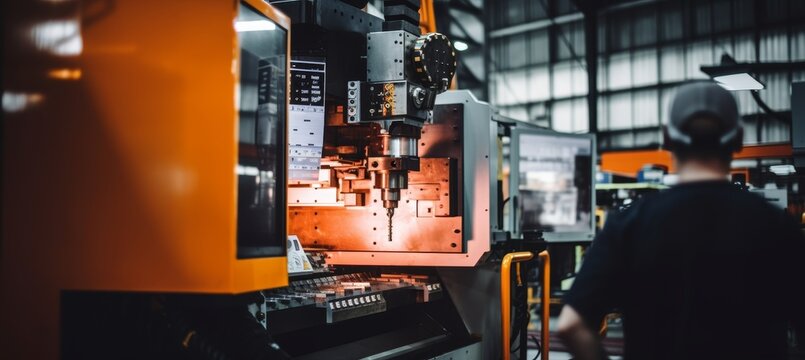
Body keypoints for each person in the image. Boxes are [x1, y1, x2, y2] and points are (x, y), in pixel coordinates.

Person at [556, 81, 805, 360]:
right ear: (737, 139)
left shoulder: (628, 225)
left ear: (667, 139)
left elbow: (571, 324)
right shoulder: (777, 226)